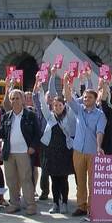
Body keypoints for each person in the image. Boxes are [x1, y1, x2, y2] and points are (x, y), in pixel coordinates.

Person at [0, 89, 40, 216]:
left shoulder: (30, 115)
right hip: (9, 152)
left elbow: (37, 133)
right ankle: (14, 204)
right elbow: (3, 134)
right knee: (11, 179)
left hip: (24, 152)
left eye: (17, 98)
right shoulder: (6, 116)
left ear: (23, 100)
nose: (15, 101)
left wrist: (33, 146)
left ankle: (30, 205)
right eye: (12, 99)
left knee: (26, 179)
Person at [64, 76, 106, 217]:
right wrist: (65, 82)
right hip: (78, 151)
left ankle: (92, 207)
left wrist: (99, 146)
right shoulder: (79, 110)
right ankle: (81, 206)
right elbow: (69, 98)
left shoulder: (100, 115)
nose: (85, 99)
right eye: (85, 97)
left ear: (95, 99)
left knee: (92, 182)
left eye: (88, 97)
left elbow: (100, 131)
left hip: (92, 151)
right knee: (80, 181)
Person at [35, 79, 76, 214]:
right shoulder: (50, 117)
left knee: (63, 179)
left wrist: (69, 88)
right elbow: (42, 105)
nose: (57, 107)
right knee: (53, 179)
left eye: (60, 105)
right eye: (55, 105)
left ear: (64, 106)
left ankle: (64, 203)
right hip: (51, 151)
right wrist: (40, 89)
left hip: (64, 151)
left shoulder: (69, 117)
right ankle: (55, 203)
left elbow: (72, 102)